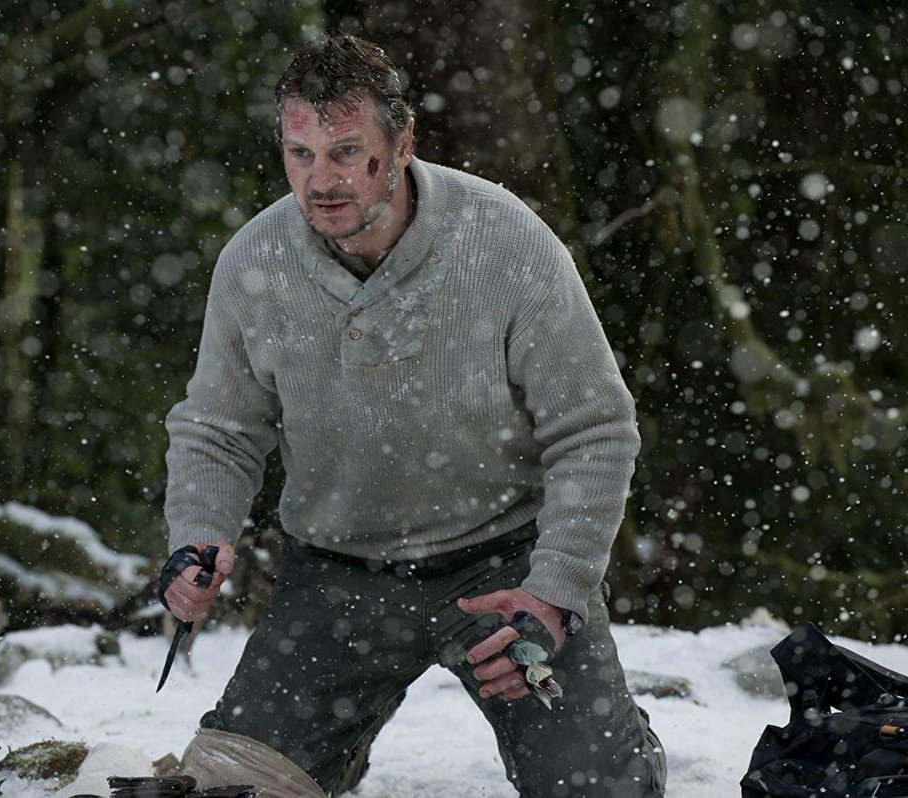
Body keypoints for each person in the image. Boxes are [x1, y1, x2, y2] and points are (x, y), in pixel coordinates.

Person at [159, 33, 667, 798]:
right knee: (232, 791)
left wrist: (555, 592)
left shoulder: (506, 241)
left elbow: (594, 429)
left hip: (505, 564)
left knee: (598, 790)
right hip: (335, 574)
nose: (321, 180)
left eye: (346, 151)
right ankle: (335, 739)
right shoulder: (254, 262)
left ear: (401, 145)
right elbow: (219, 431)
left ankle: (619, 741)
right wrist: (200, 531)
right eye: (300, 154)